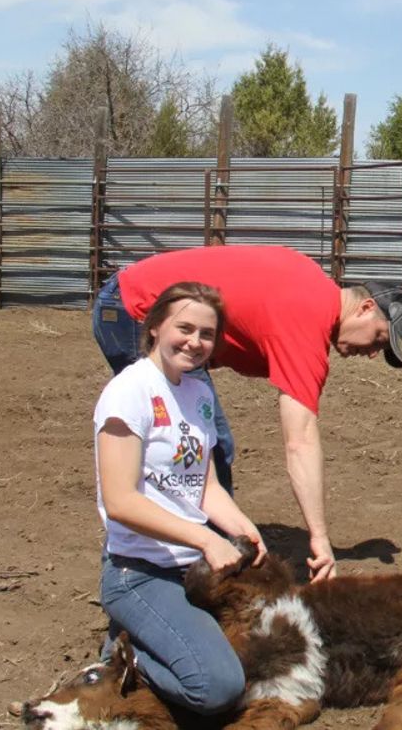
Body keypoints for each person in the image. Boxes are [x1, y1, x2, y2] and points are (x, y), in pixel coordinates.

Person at [92, 245, 402, 582]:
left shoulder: (311, 291)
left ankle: (208, 564)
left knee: (209, 450)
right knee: (182, 452)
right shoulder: (308, 317)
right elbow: (300, 442)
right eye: (379, 339)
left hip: (141, 301)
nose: (374, 354)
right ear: (364, 308)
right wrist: (319, 537)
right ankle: (150, 574)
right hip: (137, 309)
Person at [95, 281, 265, 715]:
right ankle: (126, 651)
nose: (195, 342)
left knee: (263, 657)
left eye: (206, 334)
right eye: (184, 328)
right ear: (153, 327)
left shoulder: (198, 394)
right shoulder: (129, 392)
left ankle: (147, 635)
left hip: (190, 568)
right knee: (218, 688)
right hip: (140, 570)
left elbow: (203, 486)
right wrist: (206, 539)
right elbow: (120, 501)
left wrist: (241, 527)